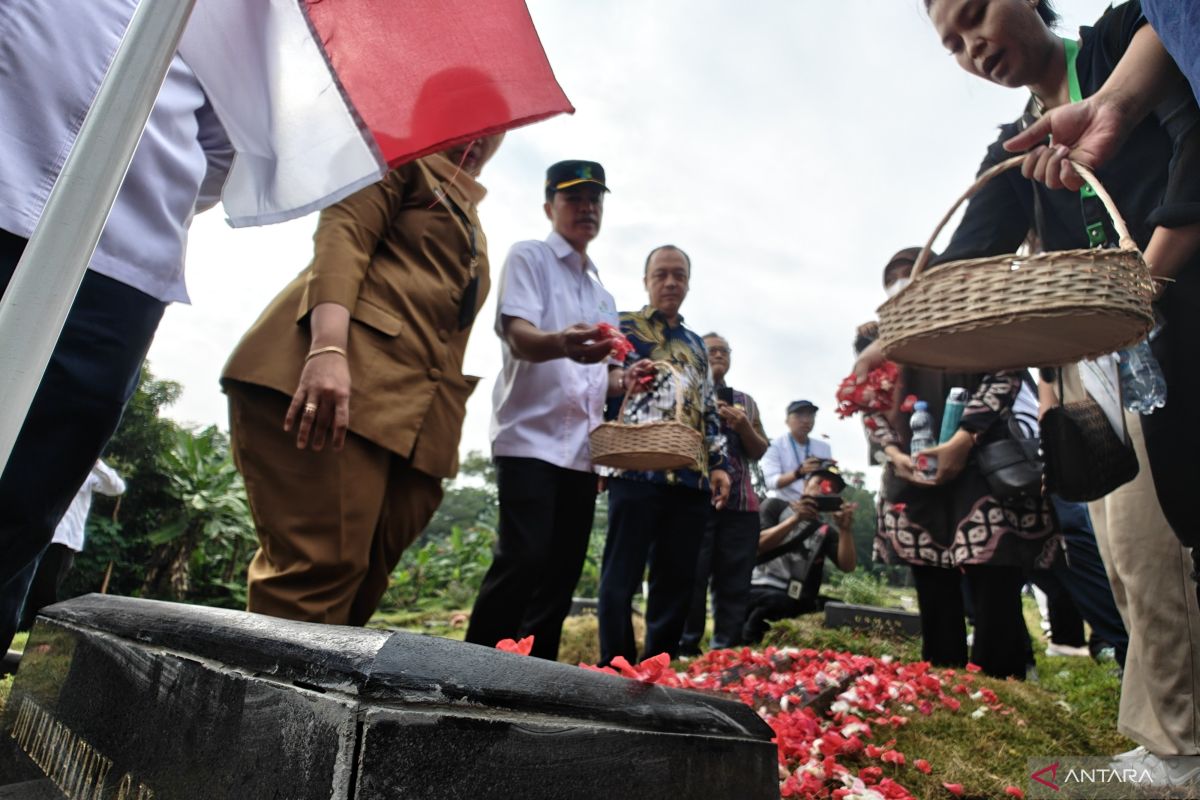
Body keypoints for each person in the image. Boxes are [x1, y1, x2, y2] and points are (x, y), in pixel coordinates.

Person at [917, 0, 1200, 779]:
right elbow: (968, 251)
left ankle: (1178, 750)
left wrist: (1152, 272)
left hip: (1168, 319)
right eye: (952, 45)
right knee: (1118, 549)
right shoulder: (1014, 146)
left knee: (1156, 546)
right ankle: (1165, 738)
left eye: (975, 15)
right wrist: (896, 339)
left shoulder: (1124, 43)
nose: (972, 46)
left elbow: (1192, 144)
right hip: (1094, 357)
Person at [0, 1, 232, 654]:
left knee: (27, 497)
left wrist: (122, 183)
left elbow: (219, 146)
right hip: (7, 184)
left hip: (120, 259)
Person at [221, 134, 504, 626]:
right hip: (334, 386)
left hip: (411, 420)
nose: (481, 139)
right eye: (473, 122)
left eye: (495, 129)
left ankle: (317, 703)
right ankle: (273, 707)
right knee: (316, 574)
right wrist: (328, 346)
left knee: (363, 583)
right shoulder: (392, 156)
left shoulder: (465, 206)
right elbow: (343, 235)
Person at [863, 245, 1059, 679]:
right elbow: (868, 404)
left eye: (912, 272)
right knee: (933, 585)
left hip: (981, 465)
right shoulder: (882, 341)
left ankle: (1002, 679)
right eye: (893, 277)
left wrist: (963, 439)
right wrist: (895, 455)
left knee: (995, 575)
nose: (904, 282)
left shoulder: (979, 319)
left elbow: (1005, 376)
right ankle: (943, 680)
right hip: (912, 473)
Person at [465, 160, 623, 661]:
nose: (587, 208)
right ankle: (469, 672)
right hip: (530, 439)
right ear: (549, 205)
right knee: (523, 559)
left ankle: (535, 682)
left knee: (560, 575)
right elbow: (520, 337)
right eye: (574, 198)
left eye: (595, 199)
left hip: (582, 452)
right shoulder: (529, 257)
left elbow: (600, 374)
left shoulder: (603, 295)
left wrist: (626, 379)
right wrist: (564, 343)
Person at [597, 244, 731, 666]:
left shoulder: (695, 345)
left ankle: (658, 669)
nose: (670, 282)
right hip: (632, 470)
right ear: (646, 281)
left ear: (688, 282)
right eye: (661, 274)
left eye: (679, 275)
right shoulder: (624, 328)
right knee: (621, 575)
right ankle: (613, 669)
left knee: (676, 579)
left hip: (688, 477)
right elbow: (596, 384)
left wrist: (721, 464)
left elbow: (708, 407)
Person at [679, 333, 769, 654]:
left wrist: (744, 426)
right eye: (711, 350)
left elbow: (759, 450)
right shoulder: (685, 394)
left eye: (723, 351)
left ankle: (725, 651)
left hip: (741, 505)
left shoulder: (745, 401)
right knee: (692, 577)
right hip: (696, 498)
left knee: (734, 582)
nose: (718, 355)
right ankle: (686, 648)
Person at [742, 470, 857, 645]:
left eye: (831, 489)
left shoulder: (825, 531)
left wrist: (845, 529)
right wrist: (795, 519)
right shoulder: (775, 506)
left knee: (840, 610)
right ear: (805, 485)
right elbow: (758, 544)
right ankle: (749, 640)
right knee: (774, 602)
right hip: (761, 587)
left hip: (798, 597)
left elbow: (847, 566)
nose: (824, 489)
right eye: (820, 483)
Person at [18, 461, 126, 632]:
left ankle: (37, 630)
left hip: (63, 540)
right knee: (24, 585)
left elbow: (117, 487)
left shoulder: (88, 473)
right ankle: (26, 628)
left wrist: (96, 462)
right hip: (36, 534)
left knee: (45, 589)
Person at [761, 400, 833, 503]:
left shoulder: (824, 447)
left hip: (815, 502)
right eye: (799, 415)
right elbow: (770, 482)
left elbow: (830, 478)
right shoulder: (774, 446)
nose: (806, 420)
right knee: (769, 505)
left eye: (810, 415)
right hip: (785, 502)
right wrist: (798, 473)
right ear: (787, 421)